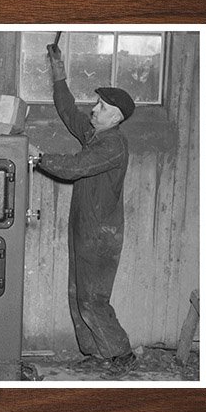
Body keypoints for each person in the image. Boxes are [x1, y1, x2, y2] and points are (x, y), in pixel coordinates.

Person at [31, 46, 138, 376]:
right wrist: (58, 70)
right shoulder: (95, 134)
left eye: (101, 107)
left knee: (92, 298)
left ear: (115, 117)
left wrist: (39, 158)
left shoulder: (113, 145)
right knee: (78, 294)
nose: (94, 109)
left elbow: (74, 167)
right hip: (85, 228)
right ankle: (96, 353)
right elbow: (67, 110)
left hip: (101, 234)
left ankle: (121, 355)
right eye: (96, 104)